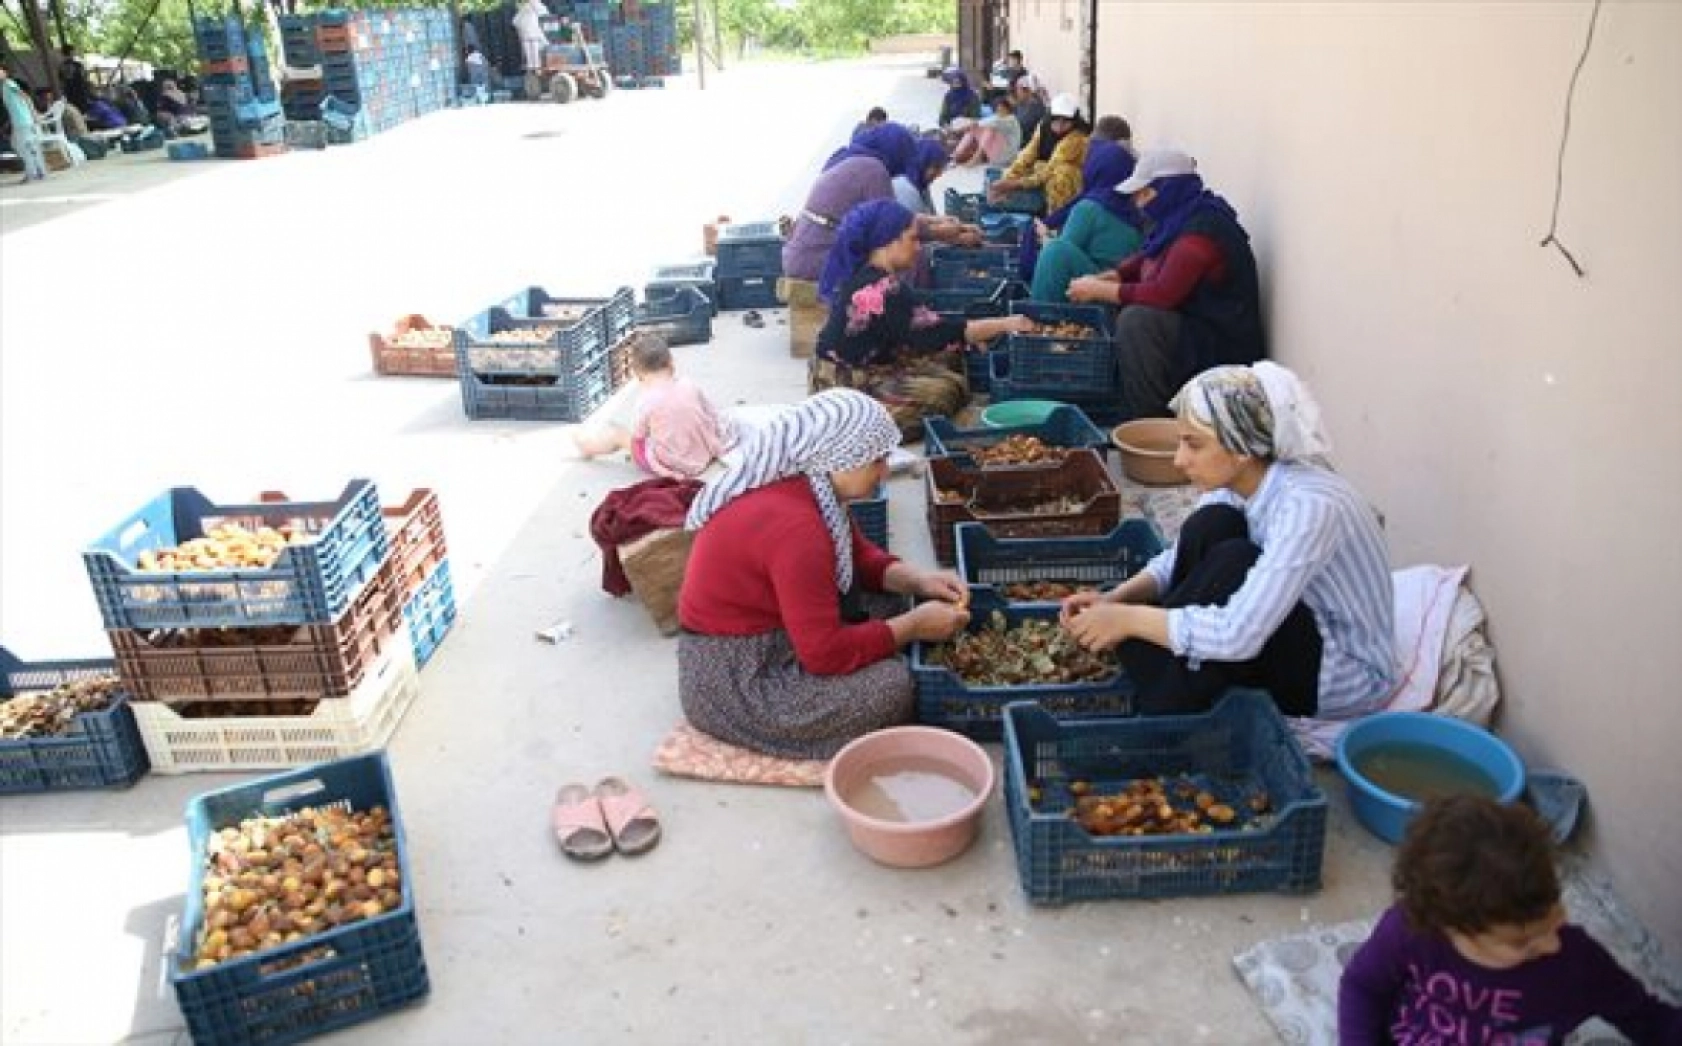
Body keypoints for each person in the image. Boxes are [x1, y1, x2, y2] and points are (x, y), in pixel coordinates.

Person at [1061, 363, 1396, 719]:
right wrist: (1116, 598)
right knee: (1211, 524)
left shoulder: (1308, 509)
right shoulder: (1243, 481)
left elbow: (1238, 635)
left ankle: (1167, 697)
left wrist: (1128, 621)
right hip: (1292, 623)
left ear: (1241, 449)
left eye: (1194, 445)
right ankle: (1169, 675)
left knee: (1235, 562)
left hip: (1343, 676)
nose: (1179, 460)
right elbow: (1176, 559)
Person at [676, 389, 973, 759]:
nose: (883, 472)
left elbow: (858, 556)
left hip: (770, 630)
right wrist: (913, 627)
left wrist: (918, 580)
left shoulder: (812, 487)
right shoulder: (798, 529)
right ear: (839, 458)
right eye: (874, 461)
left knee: (893, 599)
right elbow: (824, 655)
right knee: (892, 686)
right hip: (734, 675)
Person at [1339, 795, 1682, 1044]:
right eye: (1521, 942)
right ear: (1451, 928)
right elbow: (1363, 987)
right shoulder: (1410, 931)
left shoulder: (1577, 962)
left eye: (1555, 918)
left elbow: (1650, 1020)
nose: (1552, 943)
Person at [1068, 147, 1266, 421]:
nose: (1138, 203)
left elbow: (1163, 293)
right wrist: (1117, 275)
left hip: (1220, 345)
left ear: (1169, 189)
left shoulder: (1202, 232)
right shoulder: (1180, 217)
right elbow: (1152, 255)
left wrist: (1101, 289)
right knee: (1123, 304)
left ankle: (1148, 422)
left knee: (1137, 321)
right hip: (1193, 324)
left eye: (1144, 194)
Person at [810, 199, 1034, 438]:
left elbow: (924, 329)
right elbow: (939, 333)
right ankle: (860, 427)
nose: (918, 248)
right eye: (913, 239)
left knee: (949, 361)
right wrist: (1008, 324)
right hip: (844, 383)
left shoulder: (866, 273)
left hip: (854, 366)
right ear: (889, 241)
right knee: (945, 392)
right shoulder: (882, 289)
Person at [573, 331, 733, 480]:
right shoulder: (689, 385)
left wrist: (634, 447)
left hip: (669, 463)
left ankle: (588, 447)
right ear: (671, 362)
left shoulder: (646, 401)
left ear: (637, 374)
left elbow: (639, 437)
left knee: (619, 435)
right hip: (701, 455)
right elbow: (711, 414)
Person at [784, 122, 919, 282]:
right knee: (909, 257)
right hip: (815, 259)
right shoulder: (874, 169)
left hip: (800, 255)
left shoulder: (850, 159)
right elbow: (889, 228)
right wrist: (934, 231)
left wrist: (933, 224)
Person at [1022, 135, 1142, 302]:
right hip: (1122, 285)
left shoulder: (1089, 208)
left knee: (1055, 251)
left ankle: (1039, 316)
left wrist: (1045, 238)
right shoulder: (1135, 206)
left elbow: (1060, 255)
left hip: (1098, 285)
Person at [989, 93, 1090, 215]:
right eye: (1056, 120)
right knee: (1017, 169)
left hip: (1073, 178)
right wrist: (1008, 178)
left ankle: (1057, 218)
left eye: (1066, 121)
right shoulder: (1043, 127)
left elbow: (1051, 169)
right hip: (1046, 168)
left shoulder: (1077, 137)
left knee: (1062, 174)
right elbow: (1027, 155)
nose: (1060, 125)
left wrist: (1016, 184)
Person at [1, 68, 47, 184]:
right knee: (26, 147)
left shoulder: (9, 84)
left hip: (23, 121)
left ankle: (32, 173)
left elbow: (26, 97)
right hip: (20, 121)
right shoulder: (4, 87)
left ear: (5, 73)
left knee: (23, 148)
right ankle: (38, 171)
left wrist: (34, 114)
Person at [949, 95, 1020, 167]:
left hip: (1005, 156)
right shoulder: (999, 117)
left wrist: (965, 127)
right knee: (974, 128)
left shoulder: (1010, 120)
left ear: (1007, 109)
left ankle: (976, 157)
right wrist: (966, 126)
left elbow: (987, 123)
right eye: (998, 108)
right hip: (999, 152)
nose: (998, 110)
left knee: (989, 129)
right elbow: (982, 122)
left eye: (1001, 108)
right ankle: (957, 153)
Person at [1010, 72, 1047, 143]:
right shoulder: (1023, 103)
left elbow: (1022, 127)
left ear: (1028, 91)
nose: (1016, 92)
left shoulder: (1036, 109)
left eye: (1018, 89)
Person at [513, 0, 547, 73]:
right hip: (525, 30)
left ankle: (537, 66)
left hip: (533, 29)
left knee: (535, 48)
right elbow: (516, 20)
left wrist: (533, 3)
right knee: (528, 49)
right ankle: (531, 66)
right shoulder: (521, 7)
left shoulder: (534, 3)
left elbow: (543, 11)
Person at [58, 47, 92, 111]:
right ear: (71, 53)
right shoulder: (78, 65)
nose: (74, 54)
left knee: (74, 109)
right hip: (80, 91)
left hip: (69, 92)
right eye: (73, 52)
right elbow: (85, 76)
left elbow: (62, 80)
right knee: (82, 109)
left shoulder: (61, 66)